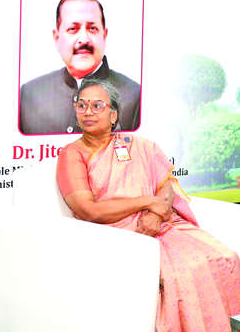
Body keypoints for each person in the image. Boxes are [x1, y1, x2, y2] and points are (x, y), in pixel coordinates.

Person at [56, 78, 240, 332]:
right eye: (82, 105)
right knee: (181, 274)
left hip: (159, 225)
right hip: (112, 233)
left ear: (113, 115)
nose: (88, 112)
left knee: (221, 256)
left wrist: (155, 214)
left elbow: (166, 186)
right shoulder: (72, 154)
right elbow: (89, 211)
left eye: (97, 106)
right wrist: (148, 202)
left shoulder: (140, 146)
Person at [19, 0, 140, 135]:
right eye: (73, 29)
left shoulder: (135, 97)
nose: (84, 39)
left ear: (104, 35)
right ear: (57, 38)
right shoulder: (29, 95)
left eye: (92, 28)